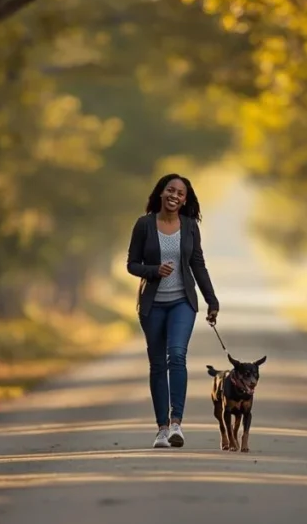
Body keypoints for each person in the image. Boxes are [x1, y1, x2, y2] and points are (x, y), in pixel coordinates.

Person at [126, 173, 220, 448]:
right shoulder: (144, 225)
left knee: (177, 356)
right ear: (161, 193)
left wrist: (212, 301)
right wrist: (153, 271)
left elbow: (198, 265)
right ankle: (162, 429)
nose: (174, 195)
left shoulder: (189, 227)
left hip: (182, 302)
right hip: (153, 304)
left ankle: (177, 423)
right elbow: (131, 264)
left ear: (185, 200)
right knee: (157, 364)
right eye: (170, 190)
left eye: (180, 193)